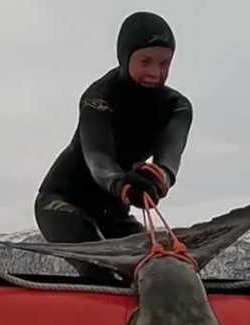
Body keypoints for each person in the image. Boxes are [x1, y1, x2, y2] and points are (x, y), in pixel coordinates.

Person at [34, 11, 193, 281]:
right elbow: (99, 159)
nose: (156, 72)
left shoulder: (177, 107)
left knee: (160, 272)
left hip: (114, 213)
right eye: (145, 61)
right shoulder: (98, 98)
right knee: (102, 275)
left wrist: (160, 176)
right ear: (125, 57)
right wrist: (122, 183)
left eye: (164, 63)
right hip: (61, 202)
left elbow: (169, 157)